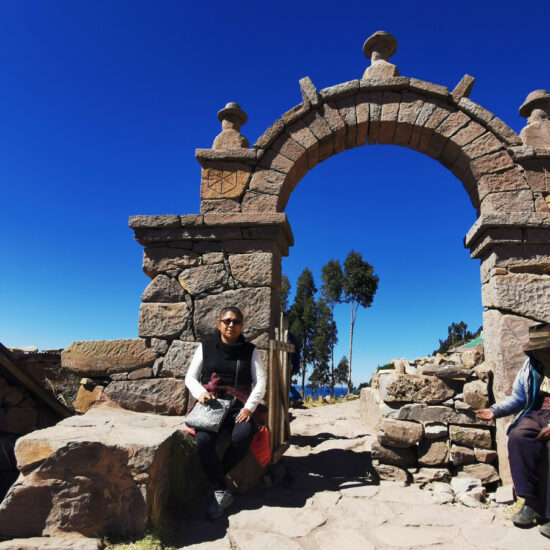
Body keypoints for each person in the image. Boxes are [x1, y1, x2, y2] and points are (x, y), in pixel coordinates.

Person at [185, 306, 266, 519]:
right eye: (227, 321)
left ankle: (215, 485)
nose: (231, 325)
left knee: (243, 436)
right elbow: (190, 377)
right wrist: (200, 393)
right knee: (203, 441)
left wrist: (249, 407)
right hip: (210, 405)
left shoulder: (251, 351)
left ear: (242, 326)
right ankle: (219, 488)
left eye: (236, 321)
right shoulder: (205, 347)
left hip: (239, 407)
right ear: (219, 324)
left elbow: (261, 382)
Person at [476, 323, 550, 538]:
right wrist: (494, 411)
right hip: (537, 411)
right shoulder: (531, 366)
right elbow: (519, 398)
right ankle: (531, 503)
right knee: (518, 437)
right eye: (539, 350)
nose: (543, 354)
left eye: (546, 349)